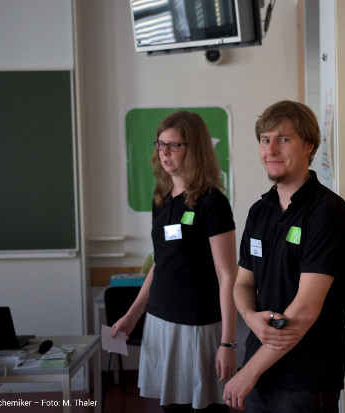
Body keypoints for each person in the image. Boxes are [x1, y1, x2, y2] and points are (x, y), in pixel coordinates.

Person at [223, 101, 345, 413]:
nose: (271, 149)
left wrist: (248, 372)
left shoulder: (327, 212)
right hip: (260, 372)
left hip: (305, 381)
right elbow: (243, 283)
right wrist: (249, 317)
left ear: (308, 145)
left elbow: (306, 310)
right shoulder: (260, 211)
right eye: (264, 140)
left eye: (283, 139)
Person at [112, 111, 238, 413]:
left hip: (197, 325)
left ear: (193, 148)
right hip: (160, 320)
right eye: (160, 144)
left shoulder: (212, 202)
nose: (164, 152)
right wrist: (132, 315)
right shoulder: (162, 198)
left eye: (173, 145)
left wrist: (228, 343)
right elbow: (161, 263)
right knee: (172, 409)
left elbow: (227, 277)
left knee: (205, 408)